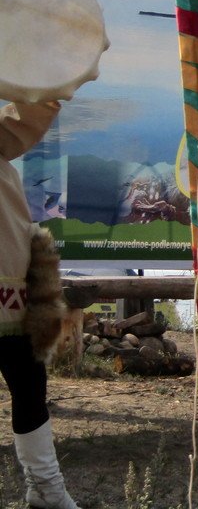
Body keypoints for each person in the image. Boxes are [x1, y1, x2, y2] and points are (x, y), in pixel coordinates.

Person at [1, 100, 79, 509]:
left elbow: (19, 124)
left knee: (30, 385)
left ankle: (46, 489)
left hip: (11, 290)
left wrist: (51, 78)